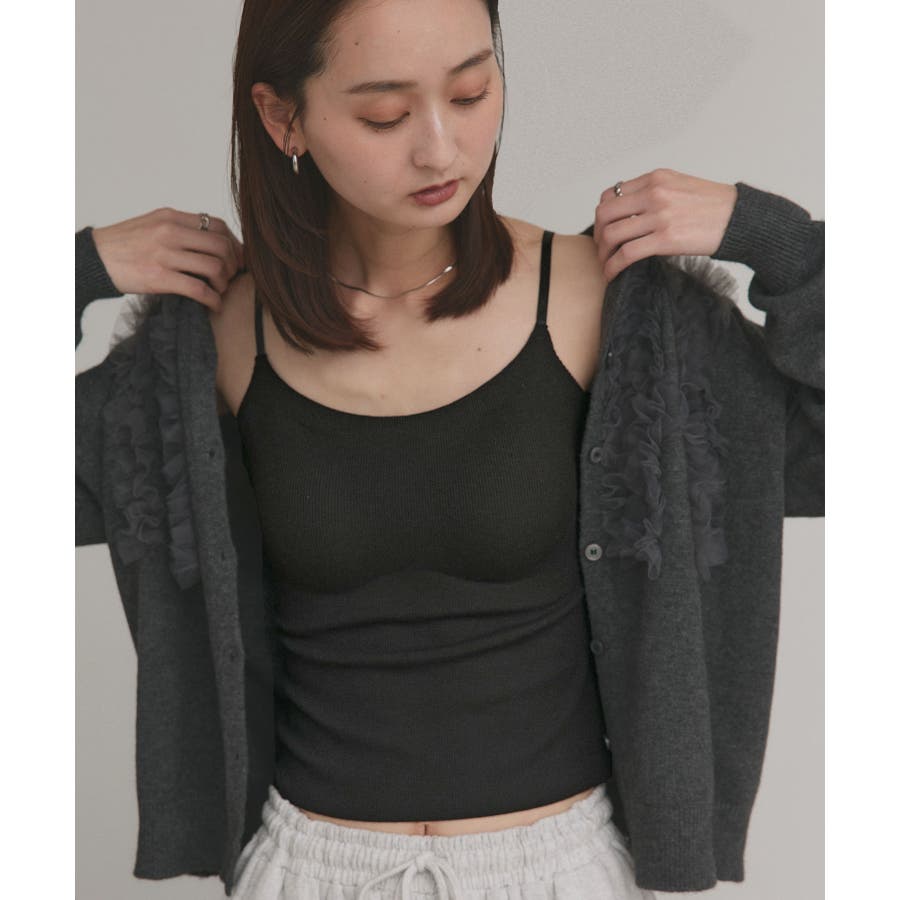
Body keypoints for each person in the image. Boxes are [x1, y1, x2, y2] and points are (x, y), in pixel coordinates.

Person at [75, 0, 824, 896]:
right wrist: (70, 271)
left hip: (557, 870)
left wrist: (781, 243)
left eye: (471, 93)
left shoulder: (607, 307)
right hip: (308, 868)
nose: (441, 149)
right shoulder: (217, 341)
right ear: (282, 118)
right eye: (385, 114)